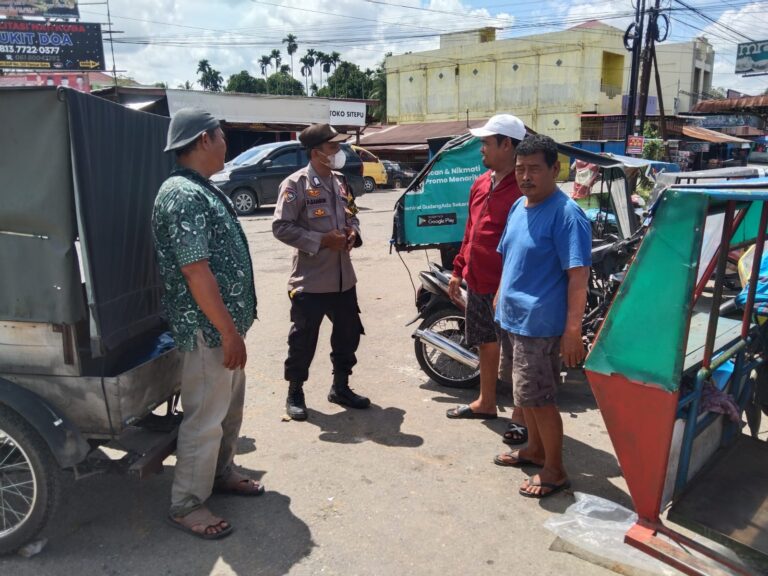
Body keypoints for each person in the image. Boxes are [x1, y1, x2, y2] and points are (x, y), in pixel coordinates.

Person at [152, 108, 262, 540]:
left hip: (223, 328)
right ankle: (186, 504)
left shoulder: (200, 190)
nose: (225, 143)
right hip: (208, 330)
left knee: (226, 411)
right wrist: (229, 332)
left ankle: (220, 473)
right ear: (202, 140)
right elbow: (196, 272)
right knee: (204, 418)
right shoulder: (183, 195)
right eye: (221, 135)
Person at [492, 134, 592, 499]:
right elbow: (511, 256)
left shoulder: (567, 215)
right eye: (520, 169)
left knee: (540, 398)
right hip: (513, 319)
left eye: (535, 168)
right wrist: (501, 296)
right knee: (524, 396)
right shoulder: (520, 206)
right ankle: (534, 450)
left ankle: (555, 470)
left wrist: (572, 331)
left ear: (555, 169)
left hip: (540, 325)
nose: (526, 176)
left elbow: (578, 276)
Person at [273, 123, 370, 421]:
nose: (338, 152)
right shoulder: (295, 184)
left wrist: (353, 233)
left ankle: (340, 387)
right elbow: (281, 227)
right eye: (333, 147)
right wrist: (320, 241)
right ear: (317, 152)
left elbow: (352, 214)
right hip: (311, 281)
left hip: (343, 279)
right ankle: (295, 392)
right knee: (303, 340)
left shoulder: (341, 182)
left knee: (348, 335)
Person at [444, 114, 528, 445]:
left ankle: (521, 419)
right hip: (476, 280)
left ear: (507, 145)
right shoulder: (481, 183)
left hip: (508, 287)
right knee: (485, 343)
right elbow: (471, 230)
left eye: (487, 143)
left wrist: (508, 285)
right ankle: (486, 402)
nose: (482, 149)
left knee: (516, 355)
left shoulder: (524, 187)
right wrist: (457, 268)